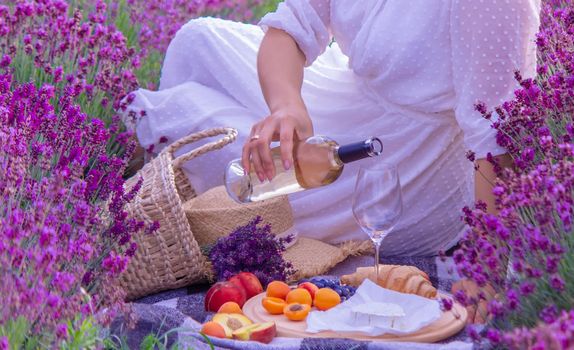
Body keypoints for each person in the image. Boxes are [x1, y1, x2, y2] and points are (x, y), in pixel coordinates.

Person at [123, 0, 540, 257]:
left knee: (197, 117)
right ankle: (161, 179)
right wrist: (287, 105)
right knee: (199, 41)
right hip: (352, 92)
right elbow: (292, 26)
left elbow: (496, 136)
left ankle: (154, 190)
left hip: (409, 159)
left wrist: (488, 264)